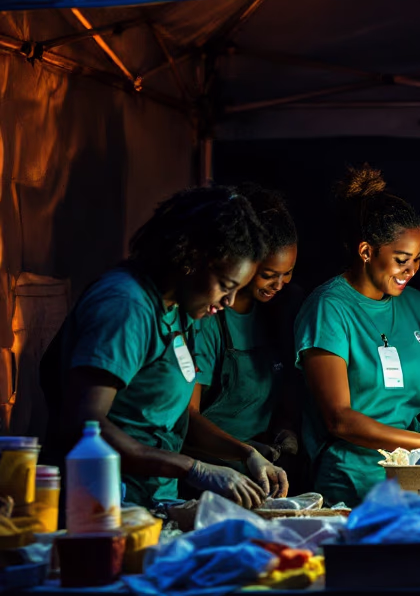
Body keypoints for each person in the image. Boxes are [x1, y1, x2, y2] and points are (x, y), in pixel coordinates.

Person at [45, 186, 288, 508]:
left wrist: (246, 454)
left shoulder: (181, 309)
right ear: (191, 259)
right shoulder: (126, 306)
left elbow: (178, 417)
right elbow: (84, 424)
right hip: (102, 504)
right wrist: (192, 467)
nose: (227, 302)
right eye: (226, 287)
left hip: (152, 500)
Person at [296, 165, 420, 509]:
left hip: (413, 479)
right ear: (366, 252)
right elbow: (340, 418)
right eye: (401, 260)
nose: (411, 271)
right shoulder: (329, 308)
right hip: (351, 478)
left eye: (416, 259)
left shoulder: (415, 305)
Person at [190, 186, 304, 477]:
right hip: (209, 469)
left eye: (287, 273)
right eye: (268, 274)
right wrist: (244, 451)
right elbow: (186, 418)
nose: (279, 284)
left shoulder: (280, 313)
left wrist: (283, 430)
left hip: (259, 468)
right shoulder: (208, 316)